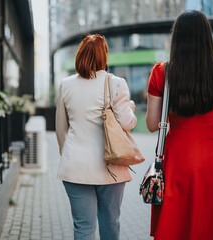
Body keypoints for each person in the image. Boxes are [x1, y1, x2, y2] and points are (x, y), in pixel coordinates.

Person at [146, 10, 213, 240]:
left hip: (177, 162)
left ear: (176, 39)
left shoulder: (161, 72)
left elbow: (153, 124)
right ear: (207, 37)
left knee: (177, 226)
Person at [55, 34, 136, 240]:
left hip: (75, 167)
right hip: (111, 166)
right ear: (104, 56)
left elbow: (60, 128)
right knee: (111, 223)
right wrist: (131, 108)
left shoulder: (66, 84)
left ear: (80, 55)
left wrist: (68, 155)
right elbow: (128, 123)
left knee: (83, 228)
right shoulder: (116, 83)